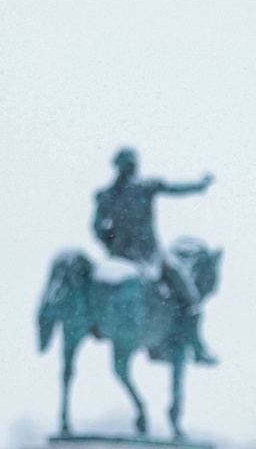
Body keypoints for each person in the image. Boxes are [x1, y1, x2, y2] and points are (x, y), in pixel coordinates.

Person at [92, 148, 217, 363]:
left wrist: (112, 242)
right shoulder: (145, 187)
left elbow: (96, 227)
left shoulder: (107, 196)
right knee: (191, 297)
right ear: (133, 166)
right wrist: (200, 185)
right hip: (150, 256)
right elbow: (175, 189)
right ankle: (196, 347)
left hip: (119, 259)